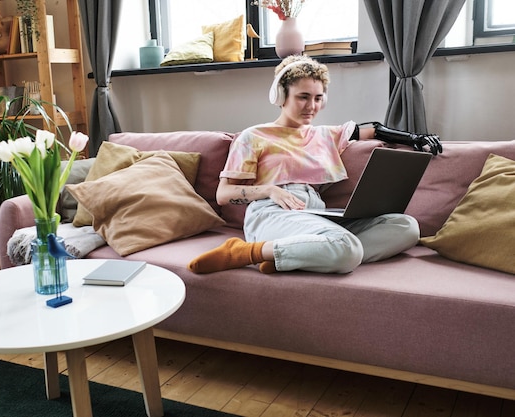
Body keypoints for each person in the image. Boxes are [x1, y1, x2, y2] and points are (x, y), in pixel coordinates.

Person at [188, 54, 442, 275]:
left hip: (317, 216)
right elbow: (223, 195)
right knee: (347, 246)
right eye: (303, 97)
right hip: (271, 214)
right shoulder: (253, 136)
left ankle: (290, 258)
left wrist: (415, 138)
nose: (312, 106)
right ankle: (248, 252)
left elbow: (373, 129)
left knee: (406, 227)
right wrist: (269, 190)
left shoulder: (325, 135)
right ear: (280, 96)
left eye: (318, 98)